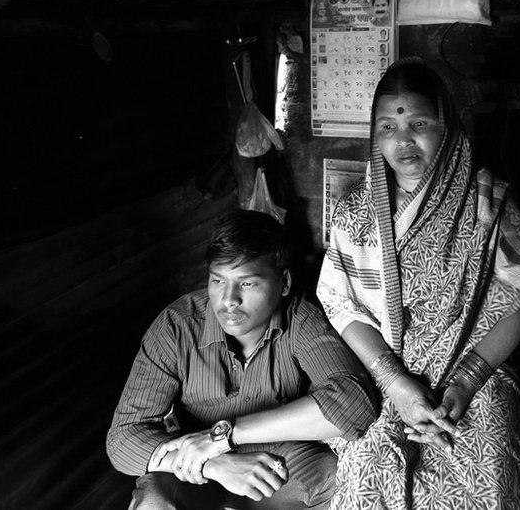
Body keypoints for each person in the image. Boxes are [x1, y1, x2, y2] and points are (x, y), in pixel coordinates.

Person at [316, 58, 520, 508]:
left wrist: (463, 385)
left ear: (447, 126)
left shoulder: (485, 203)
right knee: (369, 474)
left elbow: (518, 300)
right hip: (386, 373)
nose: (403, 141)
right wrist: (396, 384)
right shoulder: (355, 213)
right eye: (387, 127)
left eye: (418, 123)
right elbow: (341, 306)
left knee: (484, 468)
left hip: (475, 372)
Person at [107, 209, 377, 509]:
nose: (229, 299)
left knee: (343, 481)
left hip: (279, 463)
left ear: (283, 283)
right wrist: (213, 463)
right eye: (218, 281)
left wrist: (224, 436)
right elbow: (122, 438)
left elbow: (355, 403)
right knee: (155, 501)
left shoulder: (301, 317)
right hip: (195, 464)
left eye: (247, 283)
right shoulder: (177, 325)